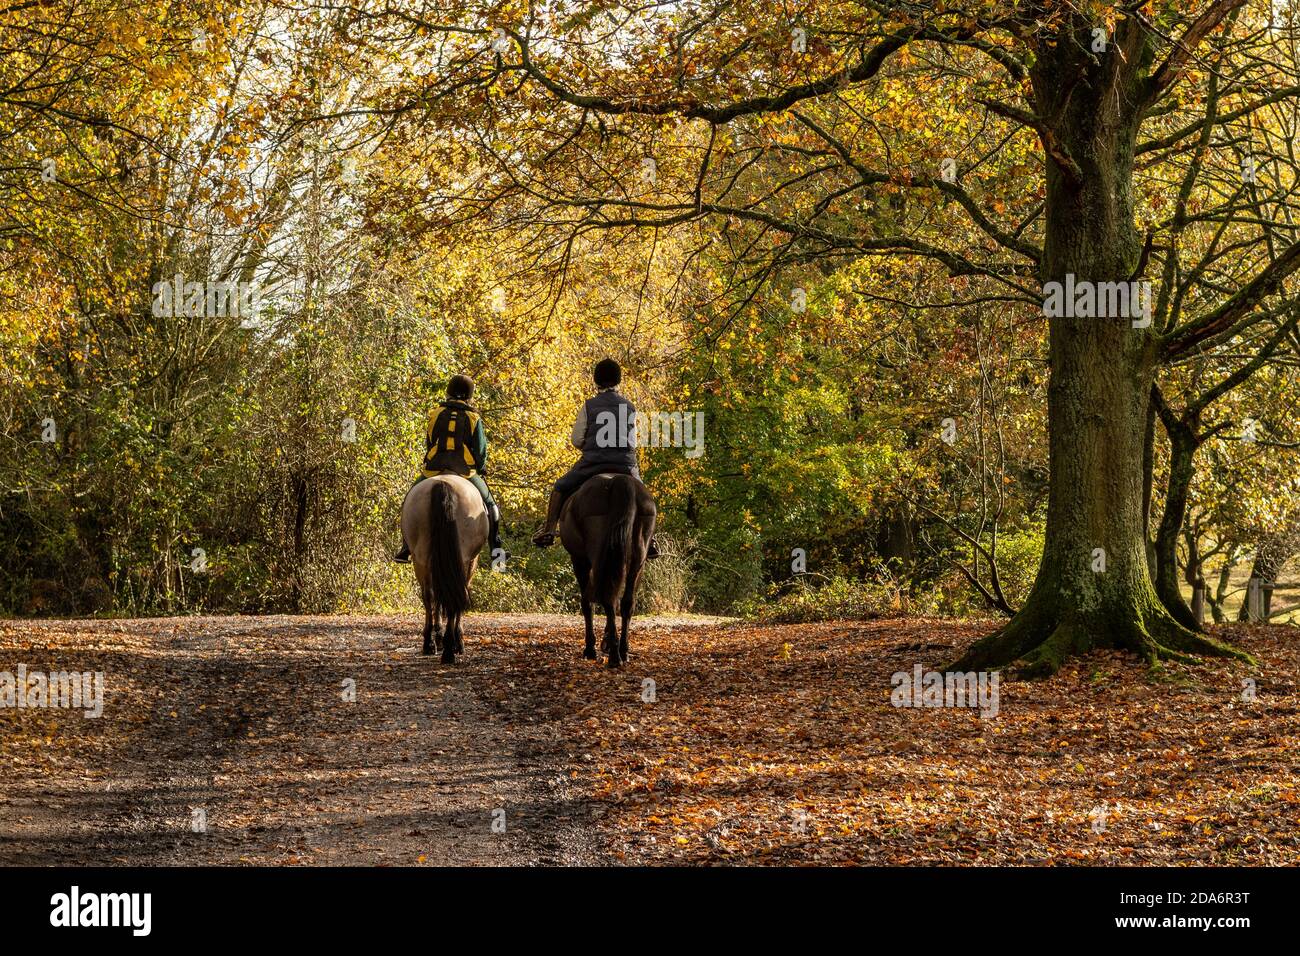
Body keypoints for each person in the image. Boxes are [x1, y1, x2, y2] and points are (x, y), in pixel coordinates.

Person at [531, 358, 658, 558]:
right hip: (625, 465)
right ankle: (649, 539)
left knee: (560, 487)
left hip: (593, 463)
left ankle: (548, 530)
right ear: (619, 381)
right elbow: (633, 442)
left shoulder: (589, 406)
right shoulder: (630, 407)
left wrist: (590, 445)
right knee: (645, 497)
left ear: (596, 381)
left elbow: (576, 439)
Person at [394, 374, 506, 562]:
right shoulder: (473, 418)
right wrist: (481, 467)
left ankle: (406, 547)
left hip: (434, 467)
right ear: (469, 396)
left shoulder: (435, 413)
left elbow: (430, 442)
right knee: (490, 503)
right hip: (464, 470)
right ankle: (496, 549)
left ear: (448, 392)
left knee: (410, 498)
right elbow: (480, 450)